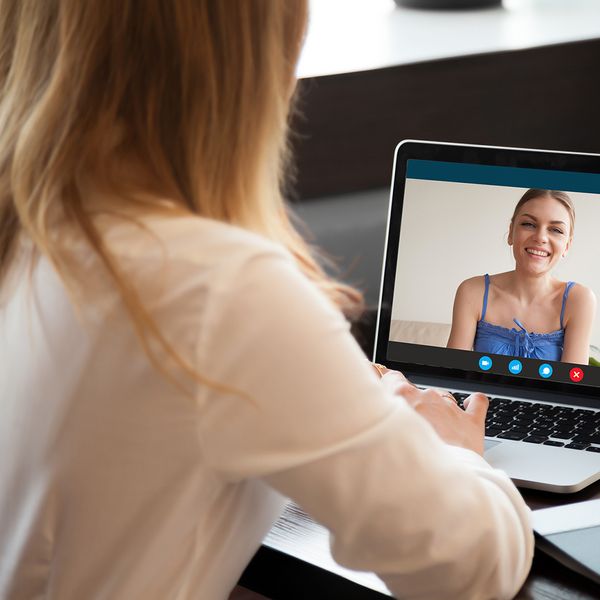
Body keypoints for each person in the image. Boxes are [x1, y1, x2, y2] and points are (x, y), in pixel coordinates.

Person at [0, 2, 533, 599]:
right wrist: (453, 454)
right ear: (254, 66)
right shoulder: (218, 289)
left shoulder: (33, 232)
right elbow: (467, 567)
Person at [448, 189, 596, 364]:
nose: (540, 237)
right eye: (529, 224)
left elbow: (572, 387)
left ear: (567, 246)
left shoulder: (579, 300)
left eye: (555, 229)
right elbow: (453, 372)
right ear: (511, 232)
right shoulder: (473, 291)